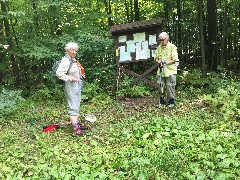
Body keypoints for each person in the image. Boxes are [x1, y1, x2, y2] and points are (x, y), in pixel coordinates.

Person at [56, 42, 87, 136]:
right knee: (73, 105)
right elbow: (59, 73)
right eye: (72, 50)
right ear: (67, 50)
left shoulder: (73, 59)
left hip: (77, 84)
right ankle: (75, 128)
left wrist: (81, 74)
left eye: (75, 50)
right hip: (70, 85)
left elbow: (75, 70)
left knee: (76, 104)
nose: (74, 52)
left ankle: (76, 123)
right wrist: (71, 78)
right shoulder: (66, 60)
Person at [154, 32, 179, 108]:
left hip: (170, 71)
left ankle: (171, 101)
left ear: (167, 39)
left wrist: (165, 63)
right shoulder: (159, 47)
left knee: (170, 86)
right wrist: (159, 61)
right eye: (159, 40)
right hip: (161, 71)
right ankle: (162, 101)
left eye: (162, 40)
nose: (161, 41)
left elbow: (175, 59)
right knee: (160, 86)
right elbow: (156, 58)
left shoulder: (172, 47)